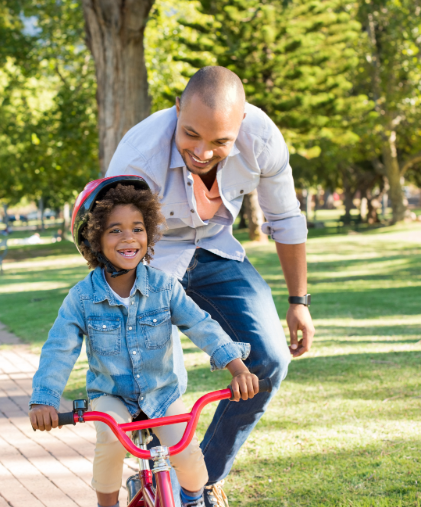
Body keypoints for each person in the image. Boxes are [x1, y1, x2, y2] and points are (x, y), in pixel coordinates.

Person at [105, 66, 316, 506]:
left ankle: (198, 483)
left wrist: (298, 301)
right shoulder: (137, 157)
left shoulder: (262, 139)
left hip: (217, 249)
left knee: (270, 360)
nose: (202, 151)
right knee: (150, 378)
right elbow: (114, 239)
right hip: (149, 256)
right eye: (191, 135)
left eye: (220, 141)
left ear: (240, 125)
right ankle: (154, 472)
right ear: (177, 108)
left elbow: (285, 219)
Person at [28, 176, 260, 507]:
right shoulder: (81, 298)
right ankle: (107, 504)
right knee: (109, 438)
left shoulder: (164, 287)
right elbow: (58, 350)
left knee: (189, 456)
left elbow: (200, 324)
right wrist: (44, 401)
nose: (129, 238)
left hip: (161, 393)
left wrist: (237, 369)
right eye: (115, 230)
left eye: (138, 228)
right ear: (93, 240)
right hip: (112, 396)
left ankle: (193, 500)